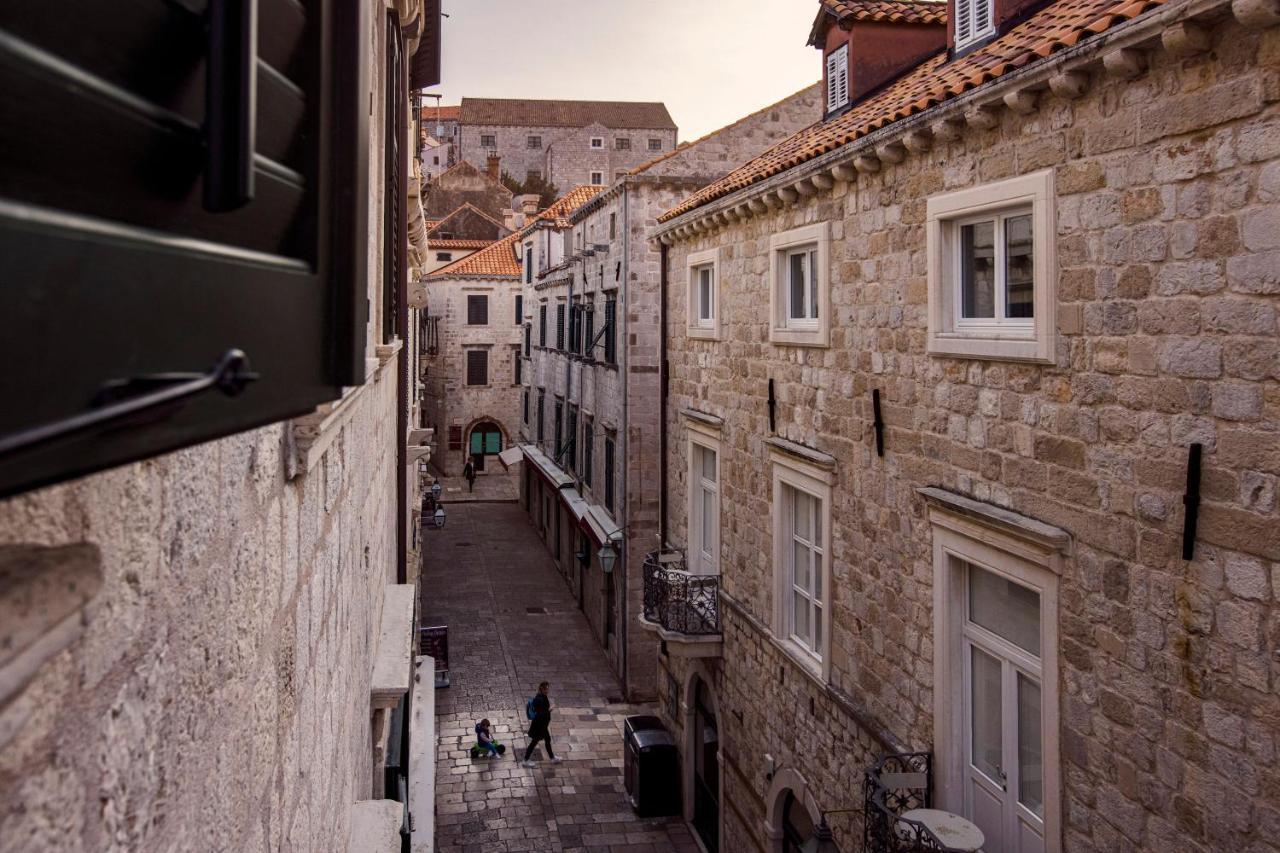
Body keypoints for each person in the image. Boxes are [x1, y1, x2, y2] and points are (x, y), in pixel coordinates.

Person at [521, 681, 560, 766]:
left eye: (548, 688)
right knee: (534, 742)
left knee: (547, 739)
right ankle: (525, 760)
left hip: (543, 725)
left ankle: (552, 758)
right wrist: (550, 709)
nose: (547, 690)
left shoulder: (543, 696)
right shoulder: (538, 699)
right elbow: (540, 714)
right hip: (539, 726)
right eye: (545, 689)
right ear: (541, 689)